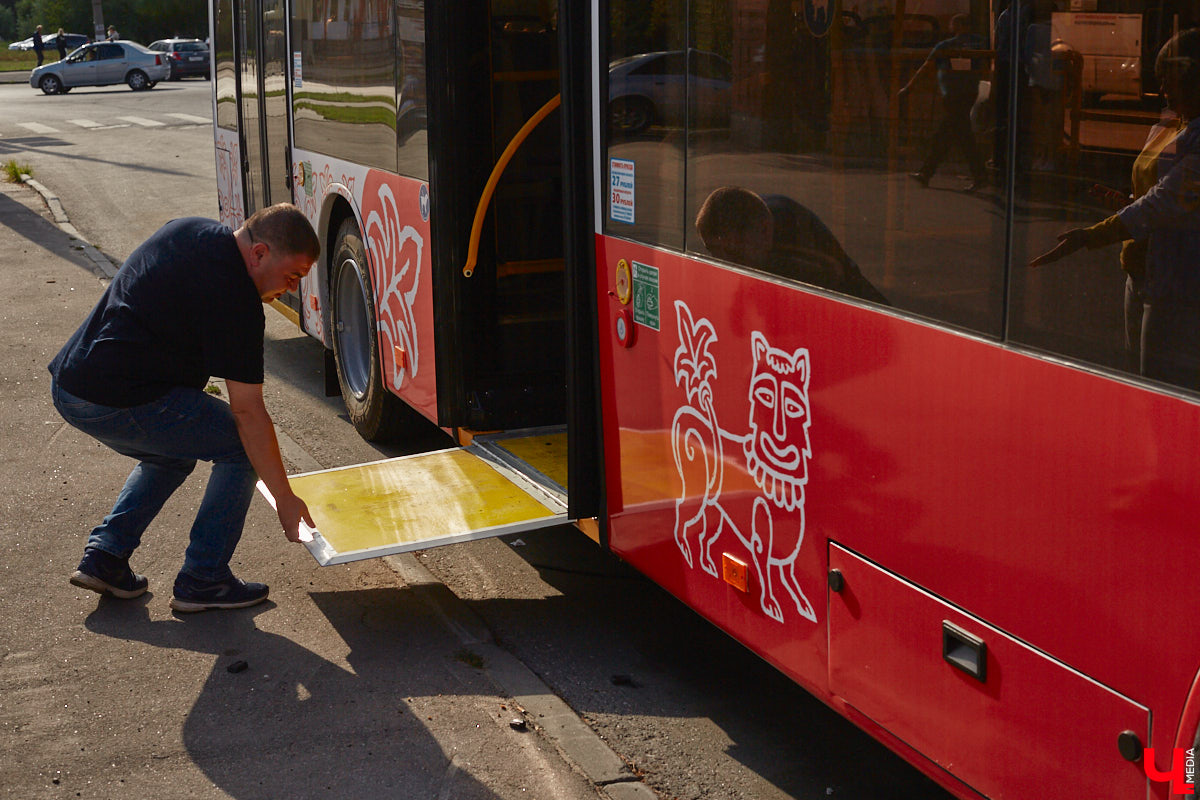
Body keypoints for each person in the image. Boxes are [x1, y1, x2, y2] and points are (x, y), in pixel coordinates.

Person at [50, 204, 321, 612]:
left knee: (173, 452)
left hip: (71, 384)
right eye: (292, 275)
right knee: (241, 447)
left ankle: (106, 557)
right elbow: (249, 415)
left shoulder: (188, 229)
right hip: (113, 396)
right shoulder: (237, 300)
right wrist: (284, 497)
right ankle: (204, 578)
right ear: (260, 253)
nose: (291, 288)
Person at [1030, 29, 1200, 389]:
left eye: (1170, 79)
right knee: (1140, 381)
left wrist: (1091, 236)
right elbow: (1159, 198)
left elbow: (1163, 202)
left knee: (1160, 388)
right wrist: (1129, 204)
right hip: (1140, 272)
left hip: (1176, 284)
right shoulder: (1172, 124)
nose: (1163, 89)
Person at [695, 186, 890, 305]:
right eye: (713, 252)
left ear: (765, 232)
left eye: (733, 253)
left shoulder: (798, 250)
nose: (723, 262)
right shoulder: (747, 221)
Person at [900, 14, 988, 191]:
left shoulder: (946, 46)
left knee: (959, 136)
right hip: (970, 92)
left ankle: (978, 175)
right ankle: (927, 172)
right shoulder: (980, 43)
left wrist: (908, 87)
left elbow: (926, 67)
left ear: (957, 26)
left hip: (953, 95)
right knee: (949, 135)